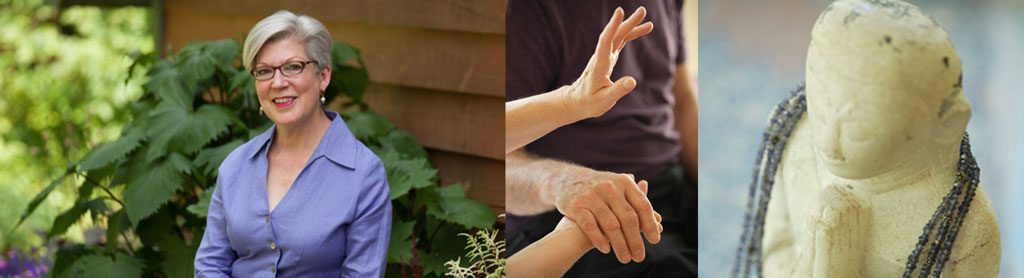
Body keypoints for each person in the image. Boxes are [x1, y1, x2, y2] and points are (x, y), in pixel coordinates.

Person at [506, 0, 697, 276]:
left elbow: (683, 103)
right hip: (567, 213)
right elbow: (501, 159)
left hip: (669, 186)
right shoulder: (529, 11)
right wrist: (565, 184)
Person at [194, 10, 391, 277]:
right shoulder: (236, 166)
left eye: (293, 67)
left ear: (323, 76)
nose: (278, 82)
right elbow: (211, 265)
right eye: (264, 71)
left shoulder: (364, 175)